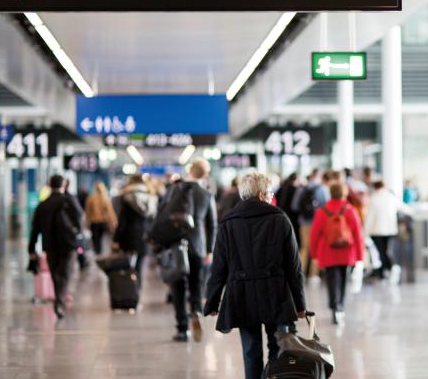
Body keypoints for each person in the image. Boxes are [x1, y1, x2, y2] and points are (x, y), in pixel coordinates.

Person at [203, 172, 305, 379]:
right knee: (279, 348)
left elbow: (219, 267)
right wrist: (300, 304)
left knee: (251, 352)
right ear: (261, 194)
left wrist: (212, 301)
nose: (271, 197)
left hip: (242, 294)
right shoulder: (280, 219)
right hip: (275, 293)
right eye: (269, 193)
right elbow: (293, 266)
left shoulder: (228, 223)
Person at [169, 159, 218, 343]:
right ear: (205, 174)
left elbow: (163, 214)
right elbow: (212, 224)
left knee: (178, 285)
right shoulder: (206, 194)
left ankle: (182, 328)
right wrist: (209, 250)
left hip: (176, 244)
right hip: (197, 245)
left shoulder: (175, 189)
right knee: (196, 285)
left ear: (189, 171)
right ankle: (196, 312)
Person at [28, 175, 83, 318]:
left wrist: (31, 248)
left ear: (49, 185)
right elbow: (79, 217)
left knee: (55, 273)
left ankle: (59, 301)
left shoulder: (43, 204)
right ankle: (59, 302)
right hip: (69, 244)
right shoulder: (69, 200)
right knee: (65, 273)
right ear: (63, 185)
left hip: (50, 244)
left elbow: (35, 229)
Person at [310, 182, 364, 324]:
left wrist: (314, 254)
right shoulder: (350, 210)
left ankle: (334, 308)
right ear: (344, 193)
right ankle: (340, 307)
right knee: (343, 280)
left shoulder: (322, 211)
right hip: (347, 252)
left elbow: (314, 234)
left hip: (328, 252)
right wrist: (360, 256)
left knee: (331, 281)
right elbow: (358, 234)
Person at [113, 174, 157, 287]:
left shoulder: (126, 197)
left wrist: (116, 239)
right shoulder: (151, 197)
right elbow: (153, 220)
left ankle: (130, 296)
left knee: (128, 267)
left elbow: (122, 221)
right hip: (144, 236)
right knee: (139, 267)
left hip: (128, 236)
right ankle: (138, 294)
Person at [291, 169, 328, 277]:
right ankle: (314, 275)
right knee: (315, 247)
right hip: (317, 223)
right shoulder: (322, 189)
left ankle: (300, 272)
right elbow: (326, 207)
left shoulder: (301, 189)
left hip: (303, 222)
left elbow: (294, 207)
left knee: (304, 247)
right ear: (319, 177)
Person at [364, 181, 400, 280]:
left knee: (381, 251)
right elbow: (401, 207)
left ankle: (387, 269)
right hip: (391, 230)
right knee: (386, 250)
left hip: (377, 231)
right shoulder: (391, 197)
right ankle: (388, 268)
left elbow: (370, 217)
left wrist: (365, 231)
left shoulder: (374, 198)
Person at [85, 181, 118, 255]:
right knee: (101, 238)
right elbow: (110, 212)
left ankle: (97, 251)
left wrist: (86, 222)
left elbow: (87, 211)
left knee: (95, 238)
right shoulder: (105, 198)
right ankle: (100, 251)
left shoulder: (91, 198)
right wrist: (114, 221)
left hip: (94, 222)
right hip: (103, 222)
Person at [275, 173, 301, 244]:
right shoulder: (297, 190)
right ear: (295, 180)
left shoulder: (281, 188)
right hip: (294, 216)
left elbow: (276, 200)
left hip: (282, 214)